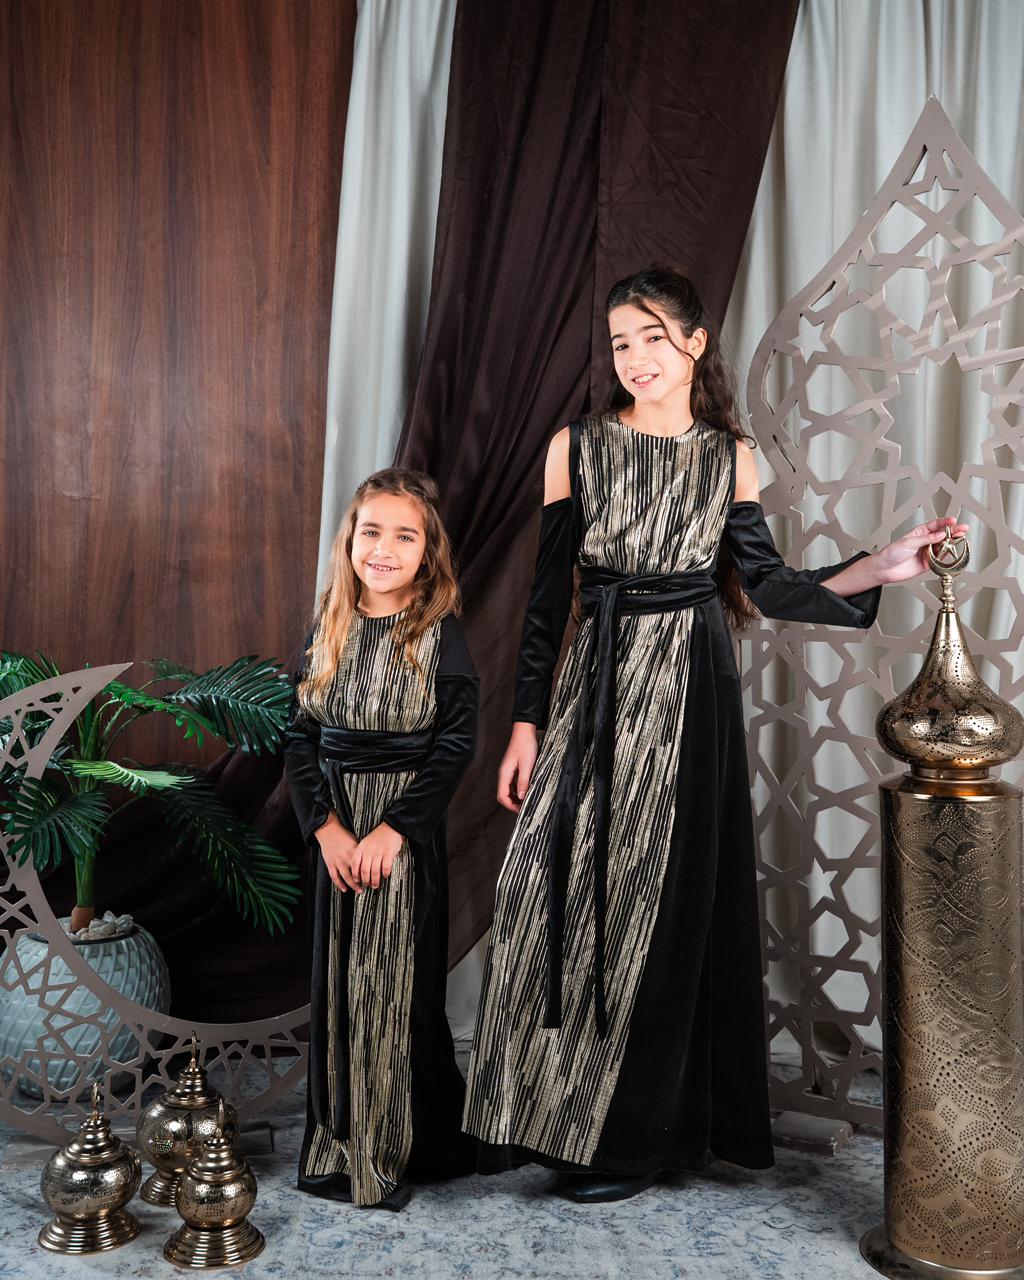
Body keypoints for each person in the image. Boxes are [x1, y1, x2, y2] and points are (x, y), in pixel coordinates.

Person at [462, 265, 968, 1203]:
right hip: (595, 680)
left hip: (691, 688)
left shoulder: (730, 457)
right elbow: (542, 604)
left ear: (695, 343)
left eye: (653, 337)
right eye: (620, 342)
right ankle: (549, 1114)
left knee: (662, 902)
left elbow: (766, 585)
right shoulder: (576, 446)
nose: (635, 357)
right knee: (549, 884)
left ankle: (632, 1140)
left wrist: (881, 567)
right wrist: (526, 723)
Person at [284, 468, 479, 1211]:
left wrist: (393, 831)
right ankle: (340, 1141)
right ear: (350, 541)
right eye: (372, 532)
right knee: (340, 986)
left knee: (397, 989)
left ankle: (406, 1143)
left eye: (405, 536)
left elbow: (455, 746)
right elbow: (300, 739)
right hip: (338, 837)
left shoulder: (439, 634)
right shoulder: (328, 627)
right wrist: (327, 830)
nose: (385, 549)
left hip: (402, 837)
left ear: (427, 551)